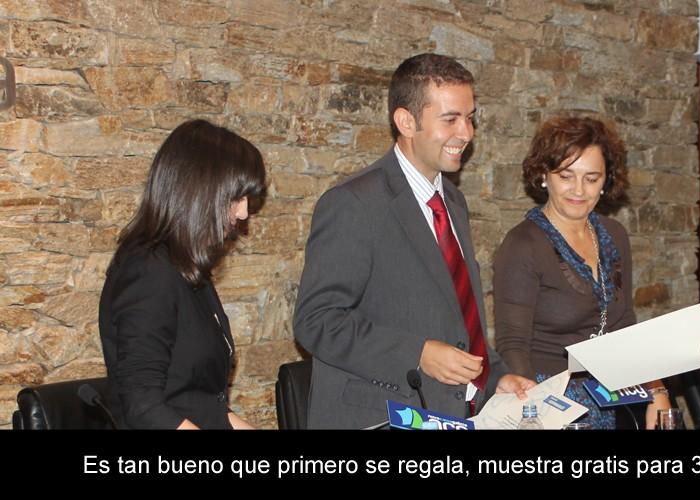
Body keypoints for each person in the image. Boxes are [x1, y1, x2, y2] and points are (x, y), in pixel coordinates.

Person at [294, 53, 535, 429]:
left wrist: (494, 378)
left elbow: (457, 318)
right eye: (450, 119)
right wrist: (417, 354)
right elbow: (317, 321)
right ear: (406, 122)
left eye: (470, 118)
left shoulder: (452, 201)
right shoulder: (353, 203)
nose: (466, 133)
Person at [494, 116, 670, 429]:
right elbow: (513, 344)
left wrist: (656, 390)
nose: (578, 190)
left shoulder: (615, 234)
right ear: (544, 175)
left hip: (614, 398)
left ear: (606, 181)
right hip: (550, 400)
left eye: (591, 178)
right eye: (566, 176)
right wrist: (533, 413)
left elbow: (624, 325)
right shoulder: (523, 244)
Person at [99, 120, 267, 429]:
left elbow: (197, 400)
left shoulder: (186, 266)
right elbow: (143, 406)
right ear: (200, 191)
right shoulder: (148, 271)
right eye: (237, 198)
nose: (243, 213)